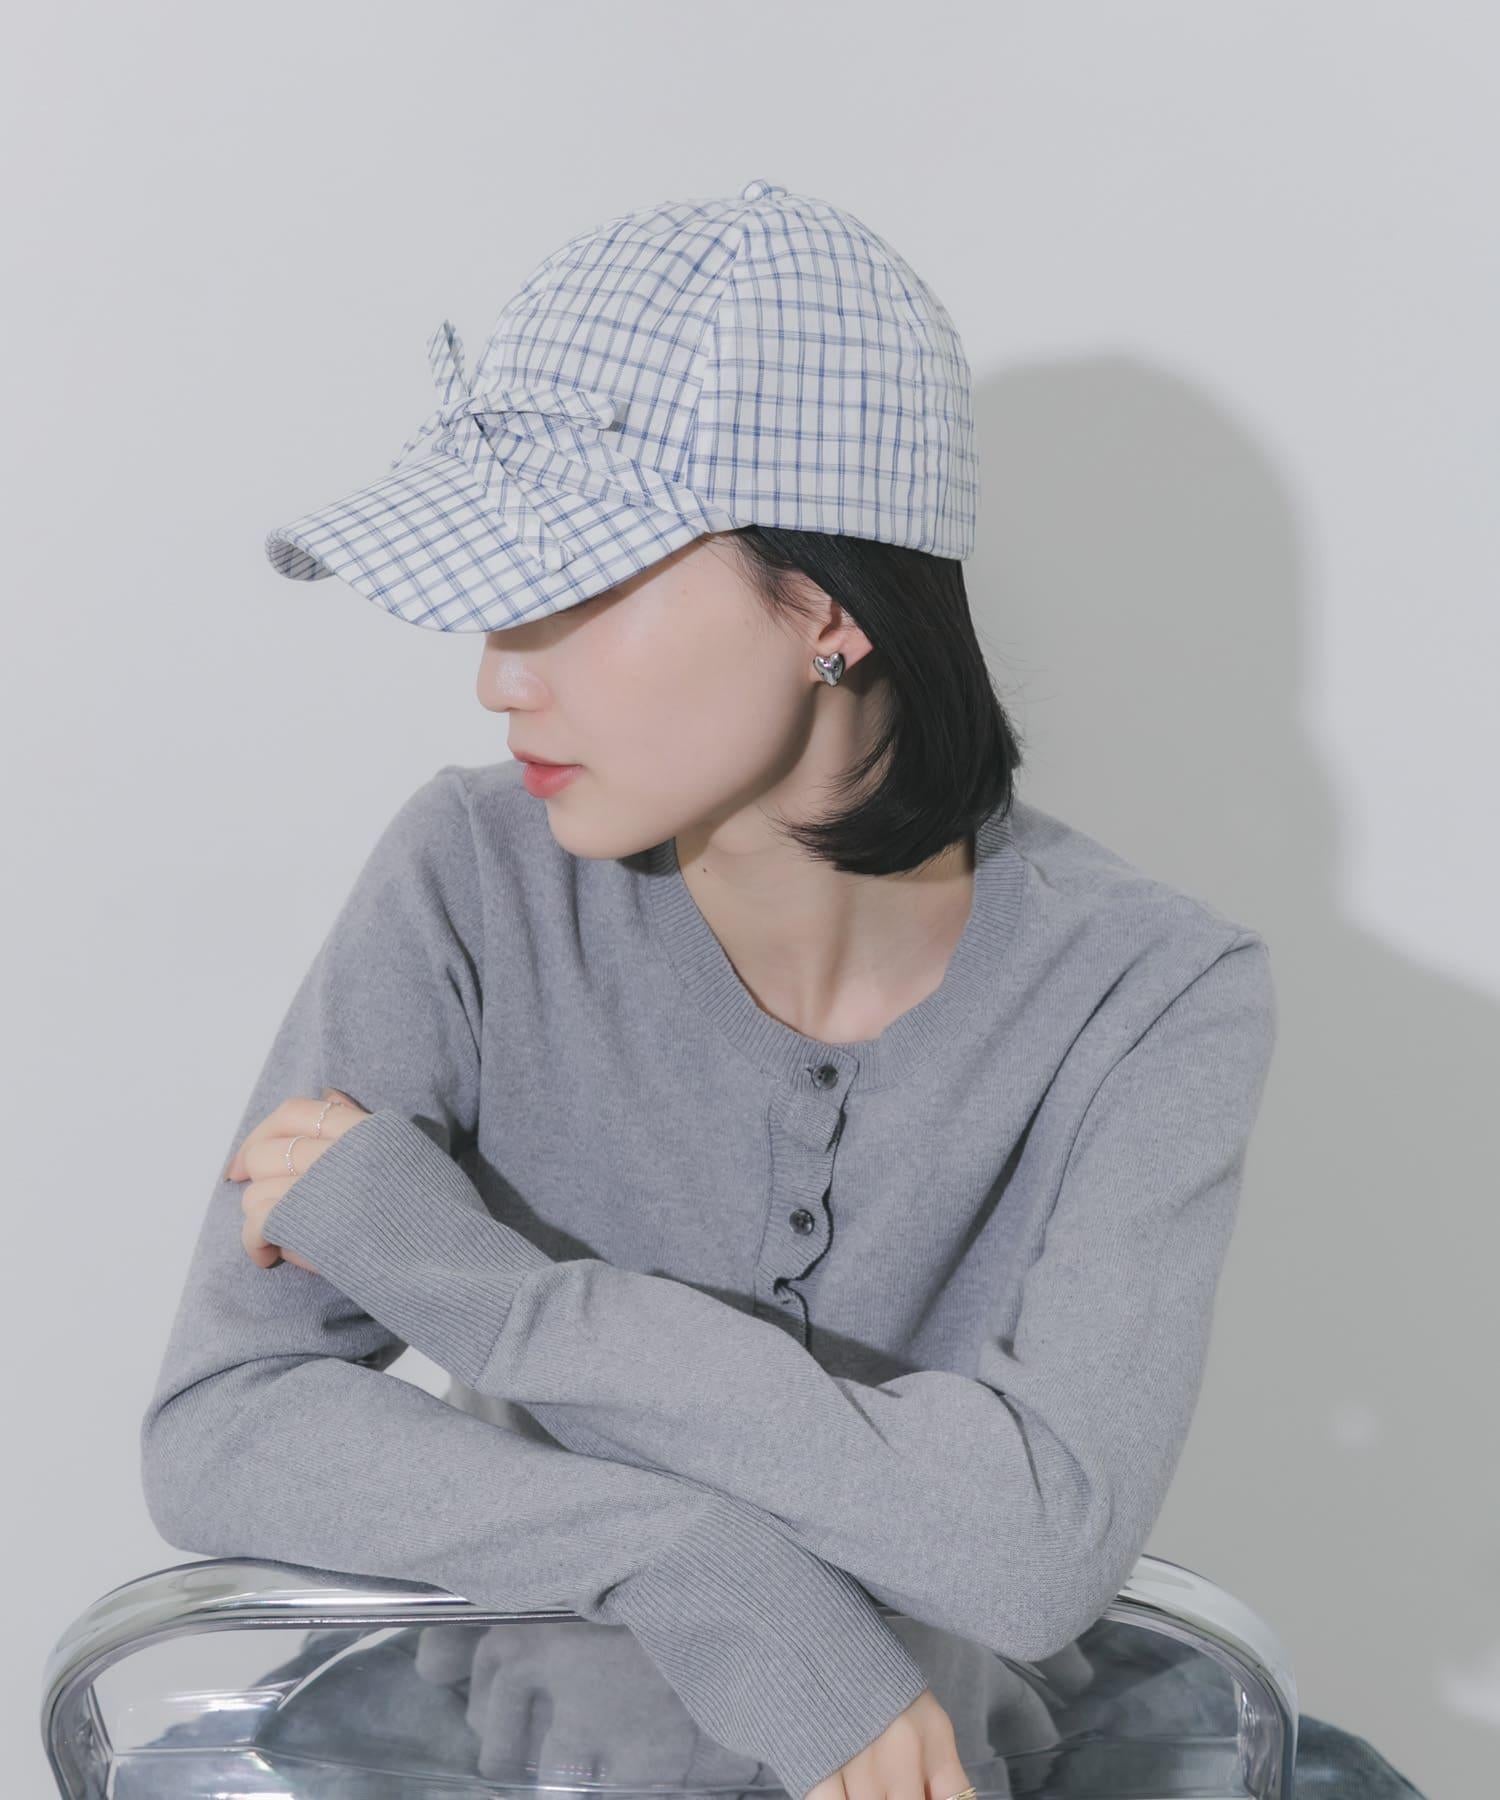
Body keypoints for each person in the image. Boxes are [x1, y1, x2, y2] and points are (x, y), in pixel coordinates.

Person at [140, 177, 1281, 1800]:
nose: (497, 672)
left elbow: (1031, 1554)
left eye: (581, 585)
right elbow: (224, 1424)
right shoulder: (472, 875)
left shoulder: (1154, 995)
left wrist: (489, 1295)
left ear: (827, 607)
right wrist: (685, 1566)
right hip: (481, 1752)